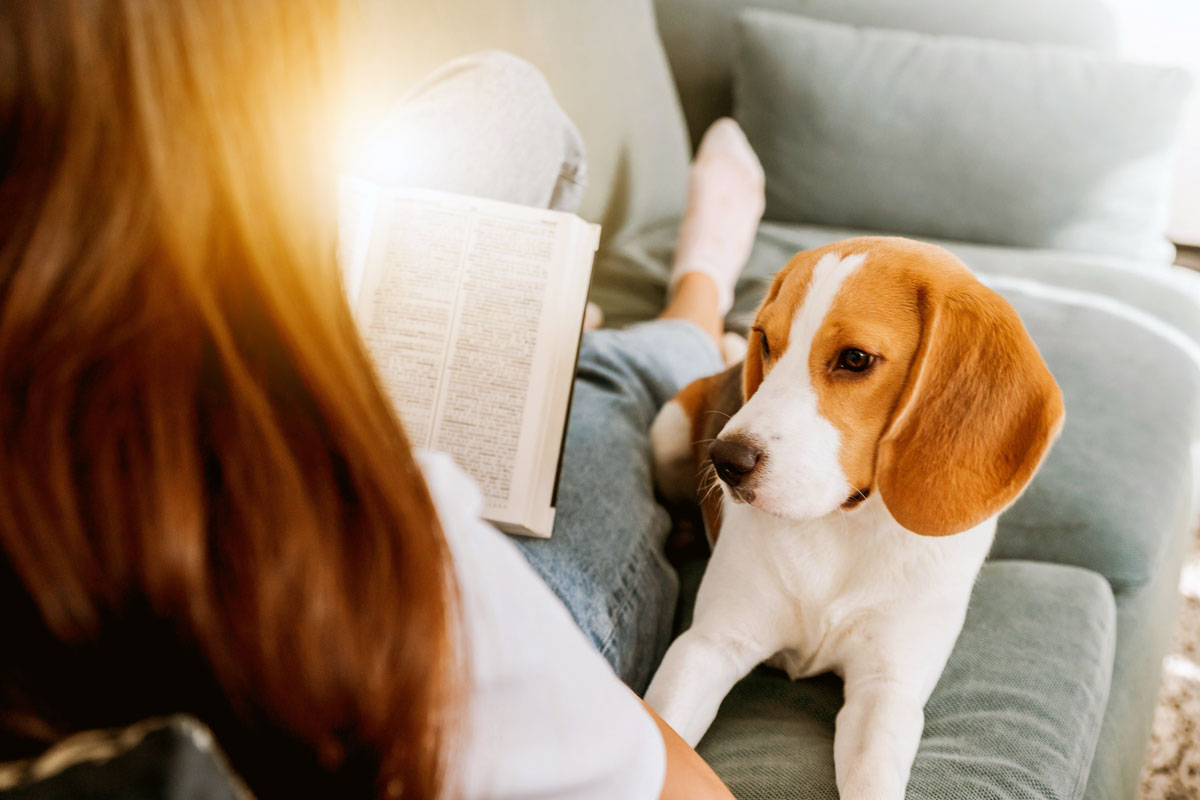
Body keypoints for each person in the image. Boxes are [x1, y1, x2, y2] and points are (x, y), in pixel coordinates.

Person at [0, 4, 762, 800]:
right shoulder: (362, 578)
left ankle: (547, 325)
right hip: (331, 507)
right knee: (606, 396)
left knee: (505, 101)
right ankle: (691, 309)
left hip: (168, 345)